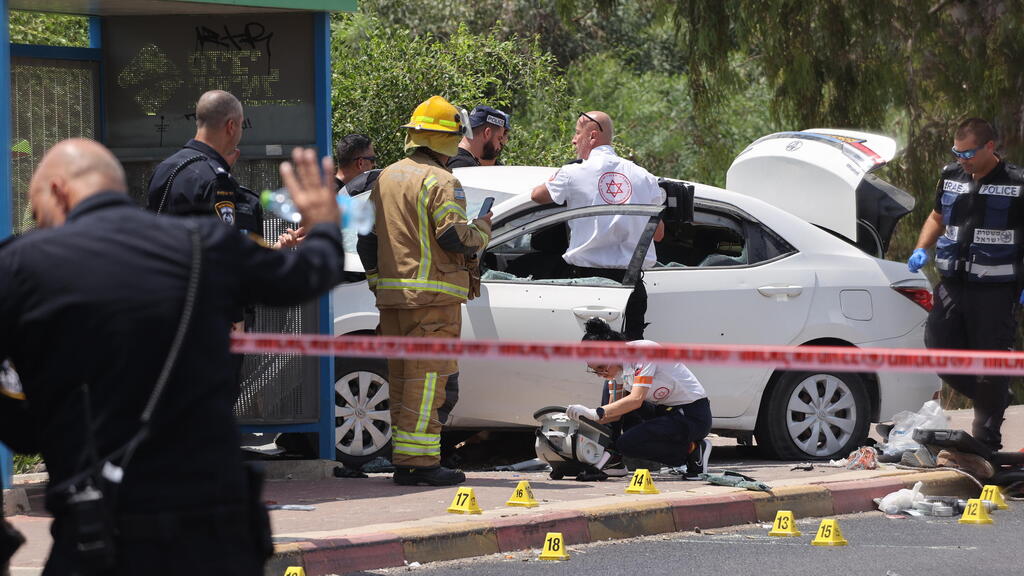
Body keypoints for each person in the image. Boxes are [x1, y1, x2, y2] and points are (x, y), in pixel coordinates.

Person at [0, 138, 346, 575]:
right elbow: (309, 274)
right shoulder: (205, 244)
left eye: (38, 209)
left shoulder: (20, 265)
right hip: (216, 535)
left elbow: (20, 429)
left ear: (57, 190)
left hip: (100, 532)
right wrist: (324, 223)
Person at [358, 96, 491, 486]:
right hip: (432, 302)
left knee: (401, 381)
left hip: (393, 300)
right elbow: (453, 235)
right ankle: (420, 465)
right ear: (449, 141)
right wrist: (482, 229)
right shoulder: (442, 181)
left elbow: (367, 239)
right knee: (429, 383)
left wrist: (376, 283)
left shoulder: (386, 177)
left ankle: (406, 459)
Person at [907, 117, 1024, 457]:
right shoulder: (951, 175)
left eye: (969, 152)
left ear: (990, 147)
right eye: (957, 152)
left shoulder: (1017, 183)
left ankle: (986, 442)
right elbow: (936, 217)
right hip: (953, 282)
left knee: (990, 362)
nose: (963, 159)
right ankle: (995, 396)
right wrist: (921, 248)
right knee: (938, 345)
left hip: (997, 289)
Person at [530, 111, 664, 340]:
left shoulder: (573, 173)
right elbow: (659, 234)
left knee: (590, 363)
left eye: (576, 133)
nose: (573, 140)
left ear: (592, 137)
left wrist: (563, 173)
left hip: (587, 284)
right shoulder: (644, 177)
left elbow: (537, 195)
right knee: (629, 361)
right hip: (630, 285)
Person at [565, 318, 712, 478]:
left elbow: (636, 399)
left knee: (628, 443)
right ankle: (612, 458)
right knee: (610, 389)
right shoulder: (617, 369)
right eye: (595, 370)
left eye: (601, 367)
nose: (601, 374)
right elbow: (614, 414)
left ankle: (692, 452)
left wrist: (595, 413)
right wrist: (582, 419)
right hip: (665, 411)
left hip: (692, 415)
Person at [446, 105, 510, 169]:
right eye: (499, 138)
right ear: (487, 133)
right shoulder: (466, 167)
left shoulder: (448, 157)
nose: (499, 146)